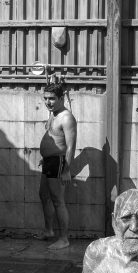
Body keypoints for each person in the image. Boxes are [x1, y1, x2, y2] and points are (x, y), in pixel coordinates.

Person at [38, 83, 77, 250]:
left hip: (58, 163)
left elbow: (70, 146)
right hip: (48, 162)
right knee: (43, 196)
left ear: (61, 98)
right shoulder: (53, 115)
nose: (48, 102)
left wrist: (67, 169)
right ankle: (49, 231)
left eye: (52, 99)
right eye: (46, 98)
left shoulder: (66, 117)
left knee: (58, 201)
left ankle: (64, 238)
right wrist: (45, 157)